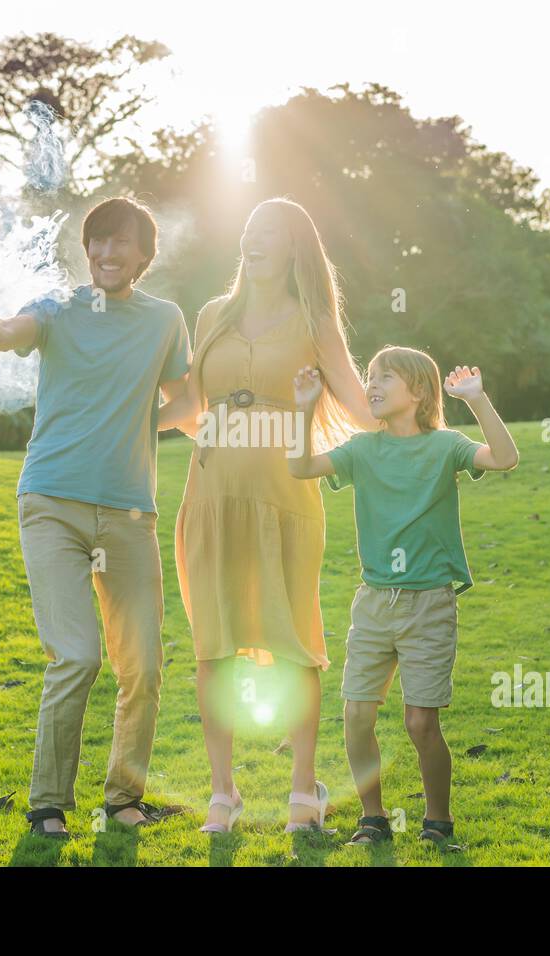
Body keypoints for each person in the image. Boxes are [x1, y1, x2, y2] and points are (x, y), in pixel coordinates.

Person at [0, 197, 191, 838]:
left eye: (121, 243)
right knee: (76, 655)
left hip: (129, 515)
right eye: (97, 242)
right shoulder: (56, 309)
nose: (107, 253)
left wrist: (143, 420)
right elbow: (3, 331)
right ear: (86, 250)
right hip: (52, 506)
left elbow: (188, 397)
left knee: (143, 665)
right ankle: (48, 804)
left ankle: (124, 796)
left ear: (144, 256)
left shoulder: (166, 321)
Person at [156, 199, 378, 833]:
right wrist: (127, 412)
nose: (253, 240)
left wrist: (420, 423)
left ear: (293, 250)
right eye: (249, 230)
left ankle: (302, 793)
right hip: (211, 496)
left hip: (286, 500)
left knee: (294, 644)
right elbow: (195, 405)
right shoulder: (212, 315)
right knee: (213, 646)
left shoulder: (314, 322)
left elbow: (361, 407)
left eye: (269, 233)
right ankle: (222, 794)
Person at [287, 347, 519, 847]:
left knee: (420, 722)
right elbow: (300, 466)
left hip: (429, 604)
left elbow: (504, 458)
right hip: (373, 602)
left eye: (383, 377)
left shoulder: (446, 447)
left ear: (417, 391)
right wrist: (304, 408)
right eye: (369, 376)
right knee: (356, 715)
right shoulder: (361, 449)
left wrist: (477, 400)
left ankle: (438, 821)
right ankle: (373, 820)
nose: (371, 384)